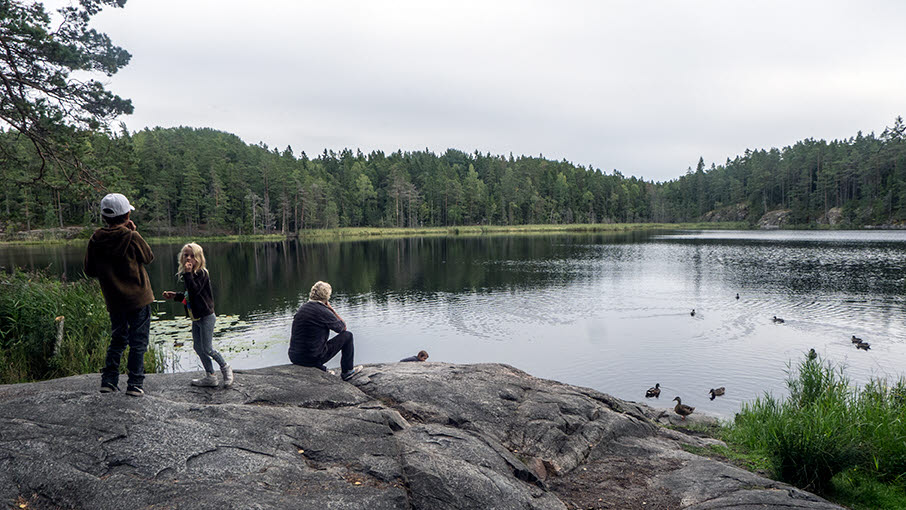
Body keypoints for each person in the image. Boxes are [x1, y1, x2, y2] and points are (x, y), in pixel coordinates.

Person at [84, 193, 154, 397]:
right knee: (138, 342)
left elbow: (89, 270)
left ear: (104, 217)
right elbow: (148, 257)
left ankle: (109, 381)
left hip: (114, 301)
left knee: (118, 339)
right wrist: (133, 232)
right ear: (127, 215)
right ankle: (135, 384)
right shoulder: (132, 237)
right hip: (139, 299)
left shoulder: (95, 239)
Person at [162, 243, 233, 388]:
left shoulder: (202, 274)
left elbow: (195, 292)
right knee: (198, 347)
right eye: (186, 255)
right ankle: (211, 377)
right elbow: (189, 298)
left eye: (192, 256)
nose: (188, 258)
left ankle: (226, 368)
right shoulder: (189, 275)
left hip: (206, 317)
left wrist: (188, 274)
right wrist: (174, 296)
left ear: (199, 258)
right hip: (196, 318)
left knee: (207, 348)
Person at [288, 281, 361, 380]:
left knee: (311, 341)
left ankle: (320, 368)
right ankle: (347, 371)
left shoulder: (303, 308)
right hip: (312, 358)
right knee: (348, 336)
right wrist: (331, 310)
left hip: (295, 357)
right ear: (326, 297)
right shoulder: (322, 310)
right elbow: (342, 328)